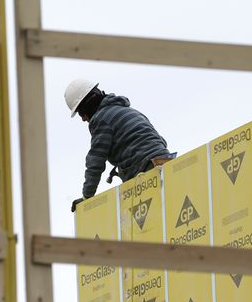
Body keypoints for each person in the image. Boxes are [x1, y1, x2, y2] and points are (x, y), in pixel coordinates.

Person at [65, 79, 175, 212]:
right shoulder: (129, 111)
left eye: (81, 113)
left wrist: (86, 197)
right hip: (166, 161)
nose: (83, 119)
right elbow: (159, 140)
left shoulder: (101, 119)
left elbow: (95, 162)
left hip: (146, 169)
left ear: (88, 105)